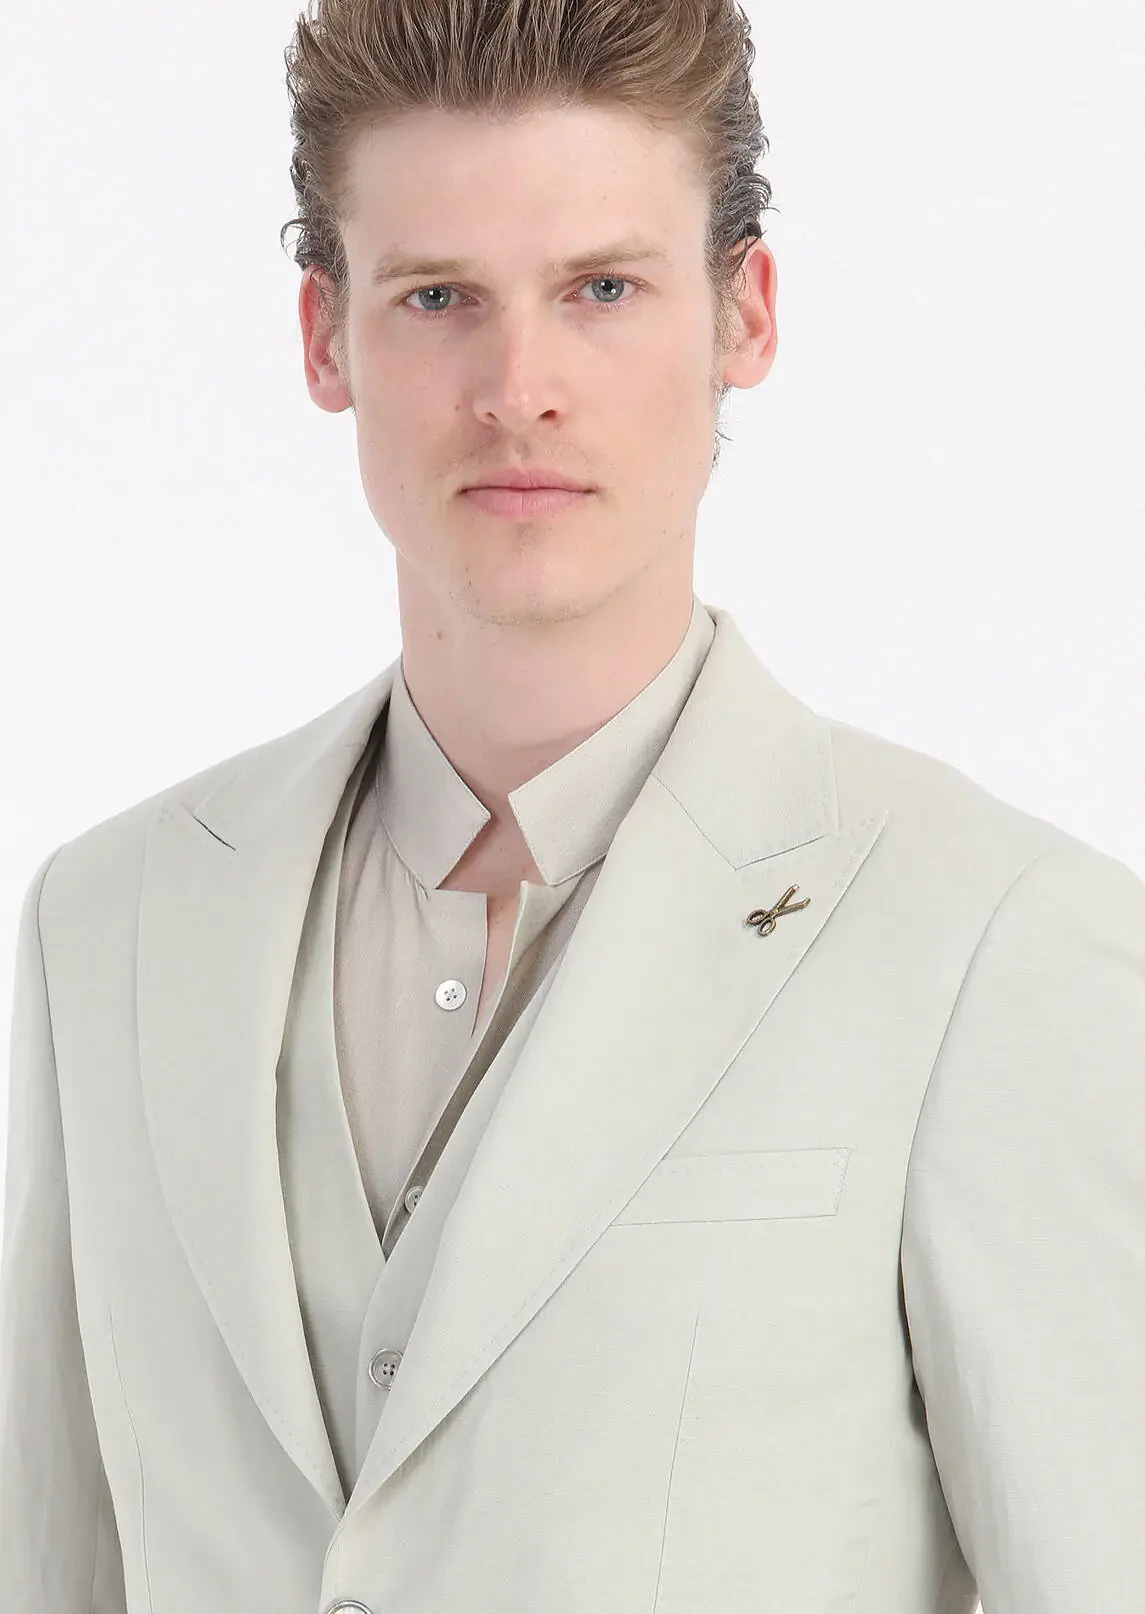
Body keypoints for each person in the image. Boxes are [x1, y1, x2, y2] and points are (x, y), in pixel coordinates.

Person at [3, 0, 1143, 1609]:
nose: (518, 386)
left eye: (602, 289)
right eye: (438, 297)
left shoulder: (994, 945)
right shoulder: (109, 924)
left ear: (742, 315)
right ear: (325, 337)